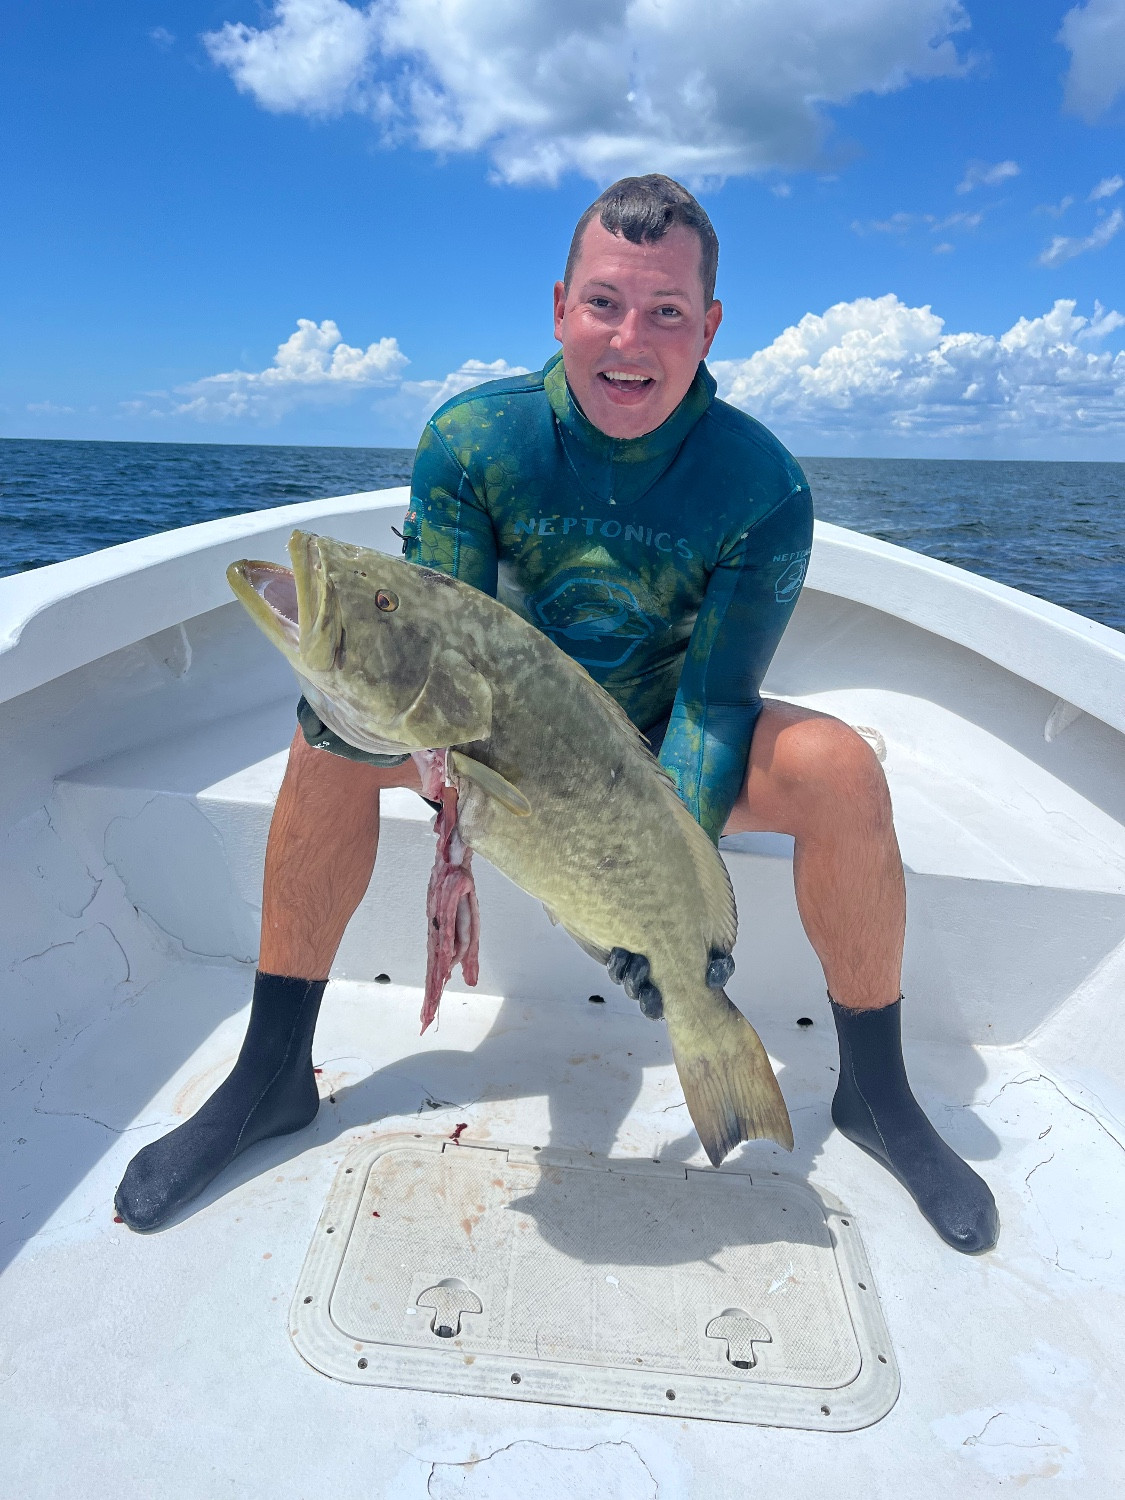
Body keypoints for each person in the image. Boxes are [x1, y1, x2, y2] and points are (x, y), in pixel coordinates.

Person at [116, 175, 998, 1254]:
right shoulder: (475, 439)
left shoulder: (762, 487)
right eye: (604, 304)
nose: (631, 339)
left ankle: (877, 1093)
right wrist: (446, 780)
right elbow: (436, 642)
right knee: (325, 739)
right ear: (559, 308)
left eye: (666, 310)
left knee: (841, 767)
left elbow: (715, 704)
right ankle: (271, 1073)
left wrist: (652, 900)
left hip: (663, 744)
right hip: (498, 736)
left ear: (709, 326)